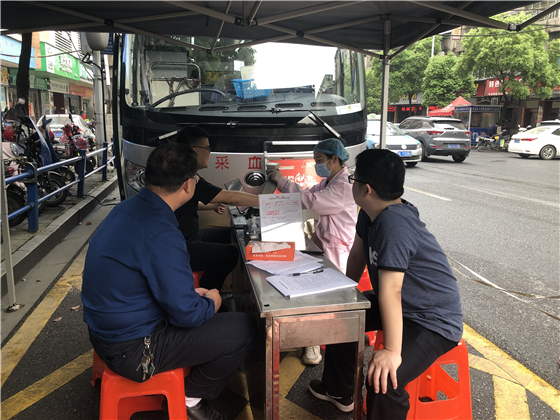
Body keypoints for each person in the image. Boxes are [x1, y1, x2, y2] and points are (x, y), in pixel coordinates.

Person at [81, 143, 257, 420]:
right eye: (195, 179)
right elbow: (187, 315)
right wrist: (211, 301)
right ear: (188, 185)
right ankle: (191, 398)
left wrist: (191, 295)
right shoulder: (162, 232)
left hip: (106, 332)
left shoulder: (126, 209)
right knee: (245, 328)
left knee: (204, 304)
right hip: (134, 351)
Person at [308, 149, 463, 418]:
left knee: (384, 378)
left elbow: (392, 290)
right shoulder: (369, 213)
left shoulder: (394, 225)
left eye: (353, 178)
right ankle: (339, 391)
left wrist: (392, 351)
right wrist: (342, 297)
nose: (351, 183)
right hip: (401, 306)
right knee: (342, 317)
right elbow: (356, 258)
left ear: (366, 189)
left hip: (431, 320)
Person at [270, 138, 357, 365]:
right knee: (316, 292)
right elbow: (308, 193)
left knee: (325, 296)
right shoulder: (329, 181)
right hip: (324, 243)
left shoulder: (342, 186)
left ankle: (315, 342)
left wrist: (280, 180)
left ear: (334, 159)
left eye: (319, 160)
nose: (317, 165)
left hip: (336, 248)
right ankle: (315, 335)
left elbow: (310, 201)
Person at [174, 125, 260, 291]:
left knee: (231, 235)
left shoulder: (184, 173)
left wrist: (212, 206)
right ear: (192, 150)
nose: (210, 153)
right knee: (229, 254)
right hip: (181, 245)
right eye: (207, 148)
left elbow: (186, 202)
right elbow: (230, 197)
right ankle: (207, 295)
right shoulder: (189, 177)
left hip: (188, 236)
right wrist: (264, 201)